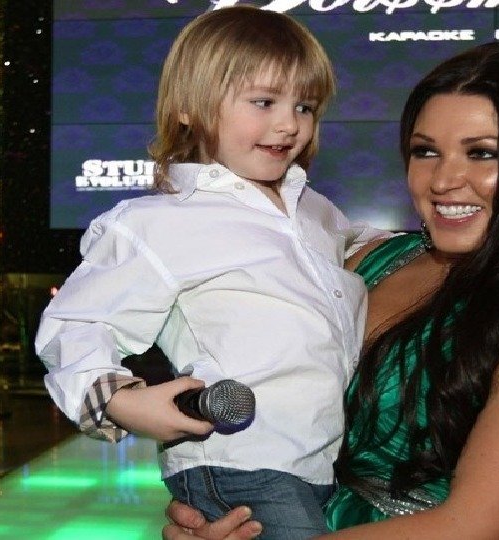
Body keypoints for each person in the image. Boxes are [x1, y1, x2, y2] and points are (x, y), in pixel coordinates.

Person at [163, 41, 499, 539]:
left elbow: (478, 528)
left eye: (482, 153)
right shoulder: (366, 262)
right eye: (425, 151)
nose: (443, 180)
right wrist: (214, 514)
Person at [34, 6, 385, 539]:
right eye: (264, 102)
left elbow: (370, 245)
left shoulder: (314, 210)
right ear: (188, 108)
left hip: (319, 463)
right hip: (236, 457)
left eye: (305, 106)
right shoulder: (156, 222)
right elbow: (77, 323)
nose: (289, 123)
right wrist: (122, 401)